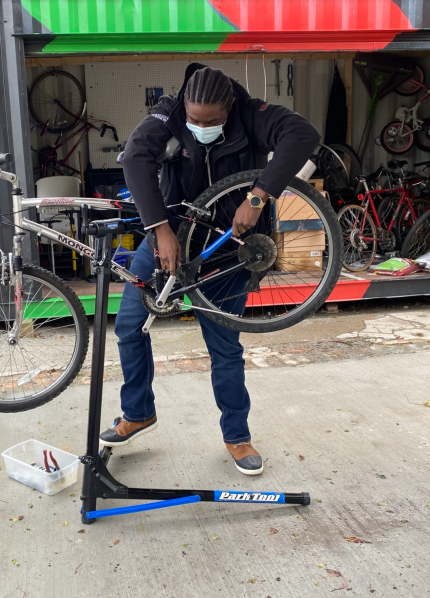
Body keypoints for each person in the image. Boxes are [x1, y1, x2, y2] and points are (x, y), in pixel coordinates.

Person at [99, 63, 321, 475]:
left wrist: (257, 197)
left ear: (230, 107)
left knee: (225, 348)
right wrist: (159, 228)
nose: (201, 126)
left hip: (226, 248)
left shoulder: (252, 114)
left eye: (213, 121)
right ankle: (138, 412)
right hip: (169, 235)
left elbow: (304, 135)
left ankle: (237, 437)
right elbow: (135, 155)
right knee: (129, 325)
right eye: (194, 119)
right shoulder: (170, 110)